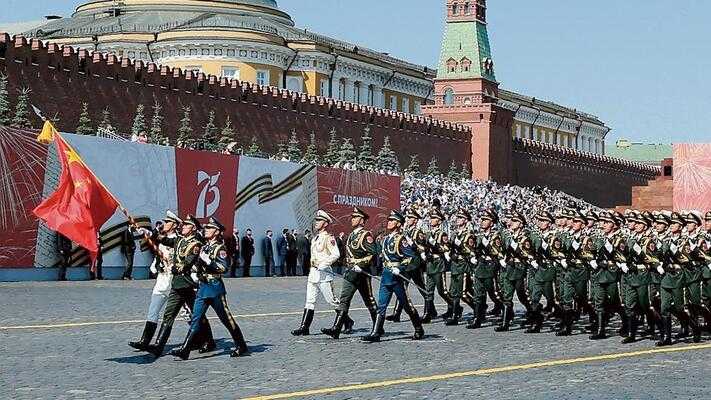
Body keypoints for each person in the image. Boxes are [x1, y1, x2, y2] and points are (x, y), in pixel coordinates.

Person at [170, 217, 249, 359]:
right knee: (196, 317)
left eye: (209, 228)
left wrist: (208, 262)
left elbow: (223, 268)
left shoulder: (220, 248)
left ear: (216, 232)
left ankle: (241, 345)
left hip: (214, 288)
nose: (206, 230)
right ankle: (185, 349)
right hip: (203, 287)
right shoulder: (205, 246)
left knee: (226, 319)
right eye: (206, 228)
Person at [143, 215, 215, 357]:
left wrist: (179, 267)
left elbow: (189, 261)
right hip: (177, 284)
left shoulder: (195, 244)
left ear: (193, 228)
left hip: (188, 284)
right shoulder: (179, 240)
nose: (183, 227)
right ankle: (158, 346)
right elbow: (165, 240)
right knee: (169, 314)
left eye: (186, 225)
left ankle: (209, 340)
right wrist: (150, 233)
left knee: (197, 314)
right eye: (183, 225)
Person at [363, 210, 424, 342]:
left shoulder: (401, 239)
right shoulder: (385, 239)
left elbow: (411, 257)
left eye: (392, 220)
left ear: (398, 224)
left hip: (397, 278)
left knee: (406, 305)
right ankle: (376, 332)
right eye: (389, 220)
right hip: (386, 276)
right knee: (381, 305)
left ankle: (419, 328)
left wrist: (400, 268)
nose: (389, 222)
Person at [129, 211, 180, 351]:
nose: (164, 224)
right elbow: (159, 250)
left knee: (186, 313)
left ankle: (202, 338)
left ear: (174, 225)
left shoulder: (179, 239)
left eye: (167, 222)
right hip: (162, 280)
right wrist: (155, 265)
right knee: (153, 310)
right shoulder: (163, 237)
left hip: (174, 281)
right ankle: (144, 341)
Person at [322, 207, 376, 339]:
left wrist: (361, 264)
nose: (352, 219)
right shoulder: (351, 235)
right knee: (344, 300)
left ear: (362, 220)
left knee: (369, 300)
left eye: (355, 217)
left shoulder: (366, 235)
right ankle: (336, 328)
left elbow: (373, 253)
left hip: (362, 273)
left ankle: (378, 326)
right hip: (351, 273)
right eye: (352, 217)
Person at [291, 210, 341, 336]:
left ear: (325, 223)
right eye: (316, 220)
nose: (316, 223)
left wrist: (324, 263)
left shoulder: (329, 238)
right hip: (313, 273)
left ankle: (347, 321)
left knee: (332, 301)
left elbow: (336, 254)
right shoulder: (315, 238)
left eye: (319, 221)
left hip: (324, 274)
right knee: (309, 300)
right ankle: (304, 327)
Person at [496, 210, 533, 332]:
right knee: (507, 295)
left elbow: (526, 253)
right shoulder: (509, 235)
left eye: (516, 221)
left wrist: (514, 246)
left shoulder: (525, 237)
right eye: (512, 220)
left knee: (522, 295)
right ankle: (505, 323)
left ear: (521, 224)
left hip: (520, 269)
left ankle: (533, 314)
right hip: (510, 268)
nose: (512, 222)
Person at [422, 208, 453, 323]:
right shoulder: (428, 233)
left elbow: (446, 248)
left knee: (442, 291)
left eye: (434, 218)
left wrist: (434, 244)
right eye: (431, 218)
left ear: (439, 221)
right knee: (428, 290)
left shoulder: (442, 234)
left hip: (438, 264)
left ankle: (454, 307)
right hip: (430, 263)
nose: (431, 220)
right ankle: (427, 314)